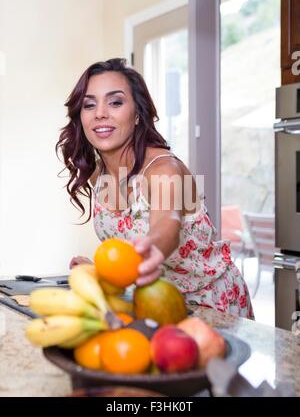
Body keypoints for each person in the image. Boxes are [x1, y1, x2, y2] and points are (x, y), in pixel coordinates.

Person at [56, 58, 254, 319]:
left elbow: (167, 225)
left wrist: (153, 247)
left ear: (137, 113)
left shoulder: (164, 169)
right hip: (153, 303)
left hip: (209, 305)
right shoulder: (98, 175)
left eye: (115, 102)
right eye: (89, 105)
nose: (100, 113)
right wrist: (103, 273)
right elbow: (127, 243)